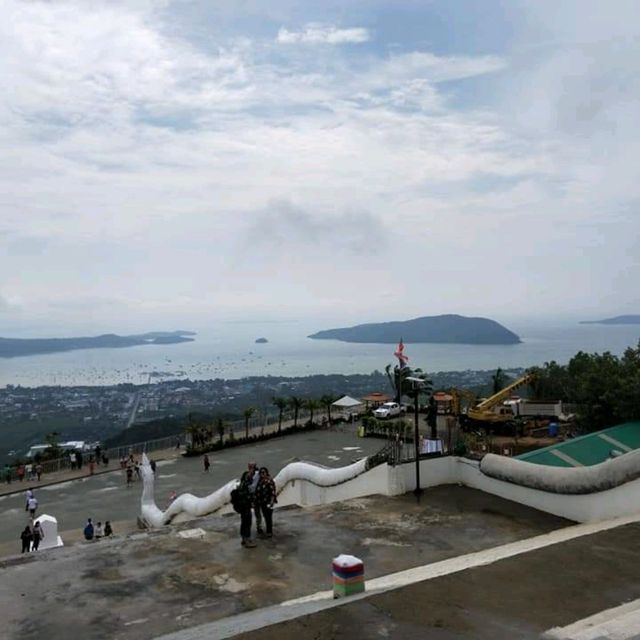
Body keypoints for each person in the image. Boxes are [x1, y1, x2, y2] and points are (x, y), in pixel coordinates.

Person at [237, 465, 257, 548]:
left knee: (246, 522)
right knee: (247, 522)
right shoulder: (245, 484)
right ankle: (246, 539)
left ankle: (245, 539)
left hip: (245, 506)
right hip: (245, 506)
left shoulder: (246, 483)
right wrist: (250, 501)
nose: (251, 475)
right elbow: (245, 494)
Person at [255, 467, 277, 538]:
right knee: (265, 516)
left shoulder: (269, 481)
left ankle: (269, 531)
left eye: (263, 472)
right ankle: (268, 530)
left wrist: (271, 501)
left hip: (268, 502)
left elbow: (273, 492)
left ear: (266, 473)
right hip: (262, 502)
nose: (262, 474)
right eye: (261, 472)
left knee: (268, 517)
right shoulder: (260, 481)